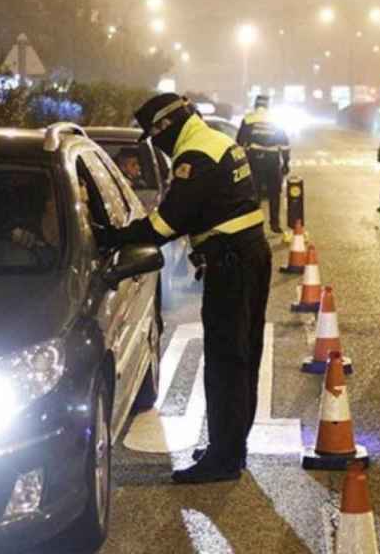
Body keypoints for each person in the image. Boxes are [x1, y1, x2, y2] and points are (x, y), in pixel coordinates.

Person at [99, 93, 271, 484]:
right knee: (244, 357)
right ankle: (231, 448)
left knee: (226, 362)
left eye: (153, 136)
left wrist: (114, 237)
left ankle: (223, 461)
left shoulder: (195, 156)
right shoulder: (218, 141)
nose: (155, 144)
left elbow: (165, 225)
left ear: (164, 128)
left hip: (230, 262)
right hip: (250, 255)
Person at [236, 95, 291, 233]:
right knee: (274, 193)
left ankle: (253, 224)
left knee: (255, 193)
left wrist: (241, 160)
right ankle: (275, 224)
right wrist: (285, 162)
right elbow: (284, 144)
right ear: (268, 105)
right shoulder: (276, 119)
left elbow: (240, 142)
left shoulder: (248, 118)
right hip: (272, 159)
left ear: (255, 104)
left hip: (254, 159)